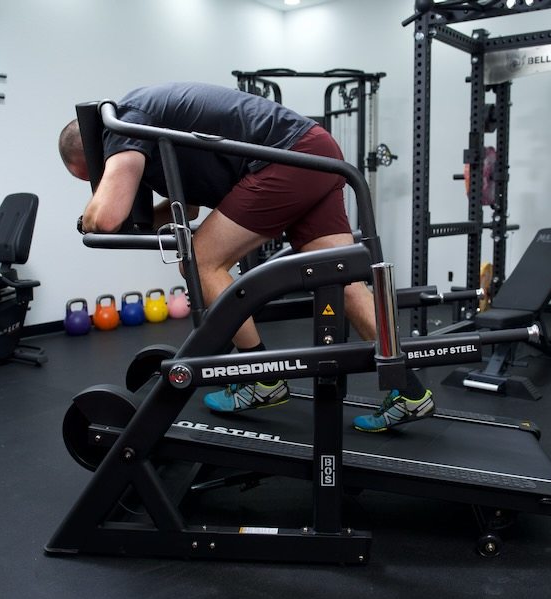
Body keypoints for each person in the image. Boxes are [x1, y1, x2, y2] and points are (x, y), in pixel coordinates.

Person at [58, 82, 434, 432]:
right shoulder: (147, 128)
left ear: (93, 153)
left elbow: (106, 217)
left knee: (200, 261)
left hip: (286, 157)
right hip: (314, 148)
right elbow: (186, 209)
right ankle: (410, 390)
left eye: (91, 178)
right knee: (341, 276)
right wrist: (139, 221)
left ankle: (261, 379)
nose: (99, 182)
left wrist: (89, 216)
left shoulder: (122, 124)